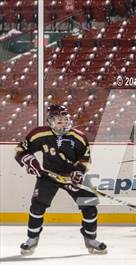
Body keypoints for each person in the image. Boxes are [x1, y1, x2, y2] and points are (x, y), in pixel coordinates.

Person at [15, 105, 107, 255]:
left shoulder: (78, 136)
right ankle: (32, 239)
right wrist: (28, 160)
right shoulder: (39, 134)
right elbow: (20, 150)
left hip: (70, 177)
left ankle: (90, 239)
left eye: (65, 120)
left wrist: (78, 173)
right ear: (50, 122)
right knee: (37, 207)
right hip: (48, 176)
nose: (63, 124)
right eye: (59, 121)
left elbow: (85, 158)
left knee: (89, 204)